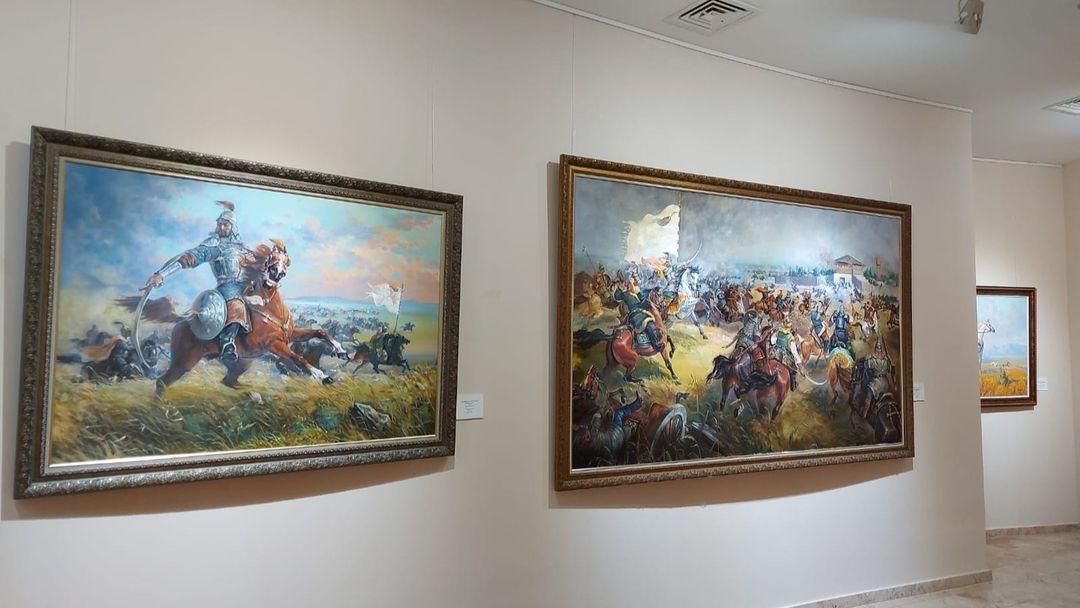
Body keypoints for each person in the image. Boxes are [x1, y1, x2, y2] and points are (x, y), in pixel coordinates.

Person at [145, 201, 254, 362]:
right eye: (220, 224)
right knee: (237, 307)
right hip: (227, 288)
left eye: (225, 225)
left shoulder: (243, 248)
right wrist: (161, 274)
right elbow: (189, 259)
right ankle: (227, 343)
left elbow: (257, 267)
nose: (221, 227)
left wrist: (255, 263)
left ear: (233, 227)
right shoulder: (214, 247)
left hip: (246, 287)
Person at [852, 339, 896, 419]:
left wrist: (862, 360)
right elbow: (892, 369)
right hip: (885, 383)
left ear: (876, 351)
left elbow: (864, 365)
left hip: (876, 384)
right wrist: (890, 362)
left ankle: (864, 413)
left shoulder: (873, 361)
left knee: (868, 392)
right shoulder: (886, 361)